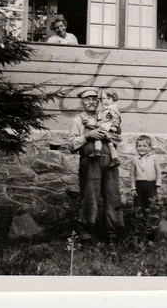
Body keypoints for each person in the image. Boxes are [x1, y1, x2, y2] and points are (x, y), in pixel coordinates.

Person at [68, 87, 123, 241]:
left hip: (110, 162)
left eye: (94, 99)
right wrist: (87, 135)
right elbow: (72, 146)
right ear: (82, 102)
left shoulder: (105, 115)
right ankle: (86, 234)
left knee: (113, 196)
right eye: (87, 99)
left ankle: (113, 234)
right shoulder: (78, 121)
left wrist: (113, 130)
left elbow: (118, 137)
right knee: (90, 198)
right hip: (90, 163)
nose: (91, 102)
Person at [130, 135, 163, 211]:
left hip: (151, 185)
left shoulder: (154, 157)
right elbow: (132, 174)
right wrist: (133, 188)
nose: (141, 148)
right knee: (138, 205)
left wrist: (158, 185)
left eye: (145, 146)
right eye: (139, 146)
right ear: (136, 147)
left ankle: (150, 221)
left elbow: (158, 172)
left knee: (151, 205)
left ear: (150, 147)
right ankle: (139, 221)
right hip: (139, 185)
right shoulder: (134, 159)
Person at [91, 88, 122, 168]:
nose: (105, 101)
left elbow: (116, 118)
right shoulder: (104, 109)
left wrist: (114, 127)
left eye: (108, 99)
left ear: (113, 98)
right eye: (103, 99)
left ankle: (97, 151)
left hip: (108, 127)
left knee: (98, 138)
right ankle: (115, 159)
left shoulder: (113, 108)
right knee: (110, 143)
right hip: (104, 126)